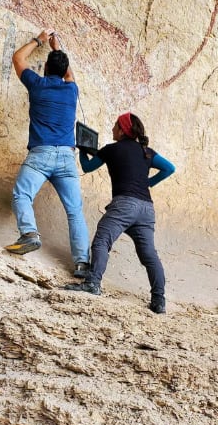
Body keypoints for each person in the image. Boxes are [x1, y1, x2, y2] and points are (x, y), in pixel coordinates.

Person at [65, 112, 175, 313]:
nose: (112, 129)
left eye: (115, 125)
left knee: (102, 240)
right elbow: (169, 168)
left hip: (124, 205)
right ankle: (159, 302)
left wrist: (82, 149)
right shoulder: (146, 152)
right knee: (149, 254)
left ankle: (93, 284)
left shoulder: (111, 150)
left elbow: (87, 167)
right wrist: (148, 183)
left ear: (123, 130)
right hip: (146, 209)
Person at [4, 28, 91, 278]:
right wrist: (56, 47)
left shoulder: (38, 85)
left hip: (40, 154)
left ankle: (30, 233)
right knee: (74, 211)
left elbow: (18, 59)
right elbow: (69, 75)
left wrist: (38, 40)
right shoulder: (71, 90)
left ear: (45, 69)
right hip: (66, 157)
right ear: (64, 73)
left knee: (22, 194)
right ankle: (82, 263)